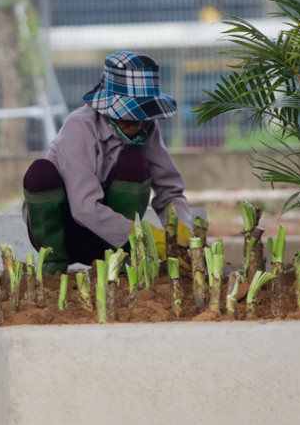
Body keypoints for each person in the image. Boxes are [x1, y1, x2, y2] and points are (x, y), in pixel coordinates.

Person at [21, 51, 192, 275]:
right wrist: (145, 237)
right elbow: (84, 208)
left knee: (134, 162)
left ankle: (123, 257)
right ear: (107, 107)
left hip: (114, 242)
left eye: (142, 114)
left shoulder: (147, 127)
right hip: (67, 234)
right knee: (39, 173)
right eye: (128, 114)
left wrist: (181, 230)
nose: (136, 123)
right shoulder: (79, 126)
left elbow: (170, 189)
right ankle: (53, 262)